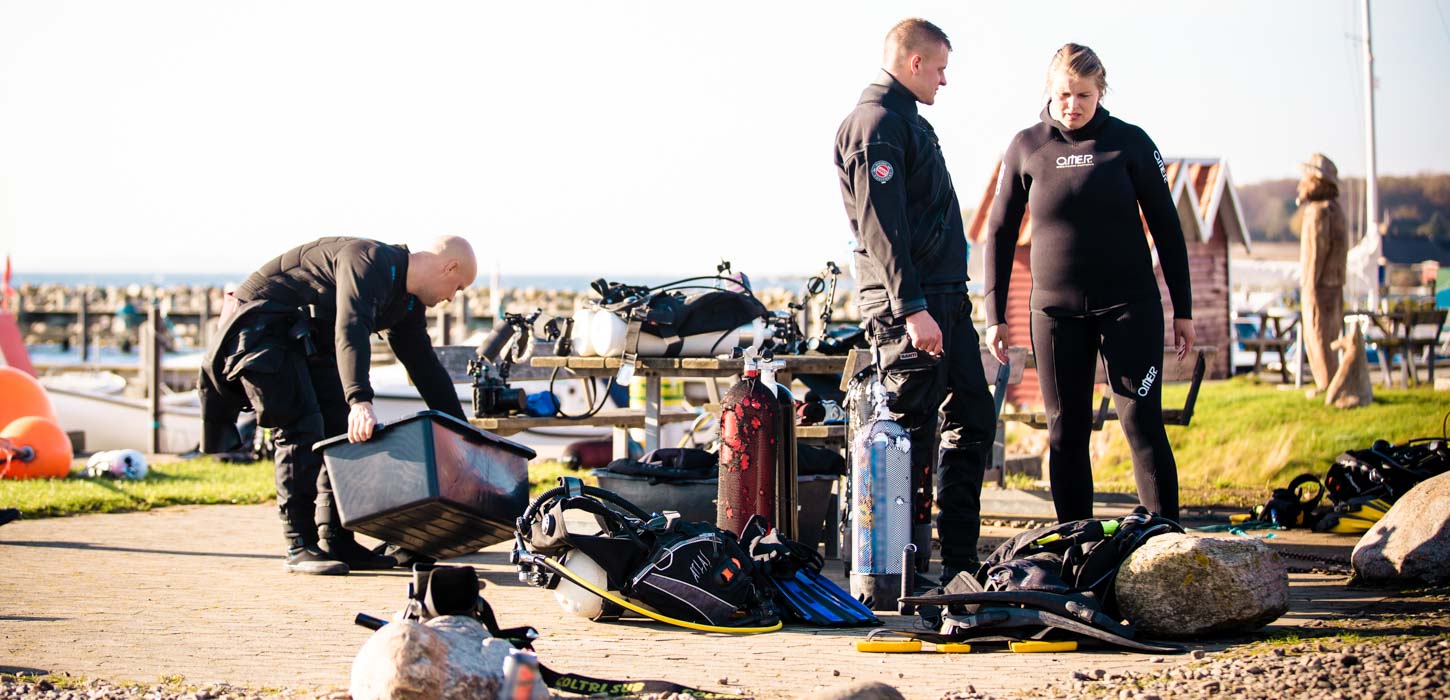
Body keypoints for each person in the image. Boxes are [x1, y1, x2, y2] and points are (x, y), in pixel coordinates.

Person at [983, 43, 1193, 523]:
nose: (1071, 105)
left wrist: (1183, 311)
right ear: (1048, 92)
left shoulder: (1131, 143)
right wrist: (995, 317)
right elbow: (997, 231)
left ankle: (1164, 543)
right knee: (1065, 430)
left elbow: (1168, 227)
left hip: (1130, 308)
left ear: (1101, 92)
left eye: (1082, 95)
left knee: (1142, 424)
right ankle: (1077, 546)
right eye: (1062, 95)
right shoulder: (1025, 147)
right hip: (1055, 316)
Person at [200, 235, 476, 575]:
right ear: (449, 266)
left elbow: (424, 366)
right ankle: (298, 544)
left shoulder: (406, 303)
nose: (452, 298)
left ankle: (336, 539)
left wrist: (461, 430)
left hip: (306, 336)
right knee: (301, 426)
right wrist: (359, 400)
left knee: (339, 430)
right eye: (458, 287)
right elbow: (351, 326)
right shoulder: (371, 260)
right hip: (259, 327)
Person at [835, 18, 997, 583]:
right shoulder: (875, 125)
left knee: (972, 418)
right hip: (910, 310)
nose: (945, 81)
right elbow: (883, 227)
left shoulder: (907, 123)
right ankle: (897, 574)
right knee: (908, 438)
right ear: (914, 63)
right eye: (941, 68)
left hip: (946, 302)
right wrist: (911, 308)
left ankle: (957, 563)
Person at [1297, 153, 1348, 392]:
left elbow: (1315, 255)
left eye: (1304, 178)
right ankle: (1331, 383)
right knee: (1329, 336)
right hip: (1335, 285)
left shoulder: (1318, 212)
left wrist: (1308, 286)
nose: (1300, 184)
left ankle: (1327, 384)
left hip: (1318, 286)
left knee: (1319, 336)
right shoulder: (1337, 211)